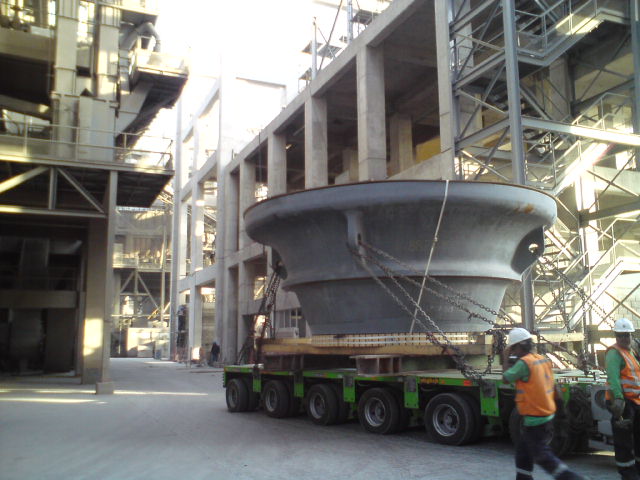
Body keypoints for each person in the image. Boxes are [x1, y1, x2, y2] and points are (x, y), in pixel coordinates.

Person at [502, 327, 585, 480]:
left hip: (535, 418)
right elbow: (555, 388)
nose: (513, 352)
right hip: (546, 415)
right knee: (523, 452)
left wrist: (506, 358)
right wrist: (561, 412)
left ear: (519, 346)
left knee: (542, 456)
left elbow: (506, 378)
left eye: (513, 348)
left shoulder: (524, 364)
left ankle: (572, 478)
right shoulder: (542, 360)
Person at [606, 318, 640, 480]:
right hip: (623, 403)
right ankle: (628, 474)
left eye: (627, 335)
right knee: (624, 443)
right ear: (616, 336)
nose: (624, 338)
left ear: (631, 335)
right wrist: (618, 400)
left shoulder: (630, 352)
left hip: (635, 401)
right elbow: (613, 378)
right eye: (620, 335)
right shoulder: (614, 353)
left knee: (638, 439)